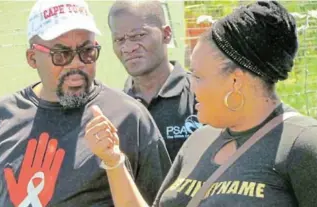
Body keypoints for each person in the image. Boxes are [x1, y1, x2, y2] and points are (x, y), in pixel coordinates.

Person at [85, 1, 317, 206]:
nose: (191, 87)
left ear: (235, 81)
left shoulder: (303, 144)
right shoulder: (199, 142)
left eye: (198, 76)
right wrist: (114, 161)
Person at [0, 0, 171, 206]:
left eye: (87, 51)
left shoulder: (128, 118)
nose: (76, 63)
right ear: (32, 58)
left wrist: (114, 162)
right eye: (61, 55)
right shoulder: (1, 118)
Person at [108, 0, 201, 160]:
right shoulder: (114, 109)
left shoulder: (200, 95)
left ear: (166, 34)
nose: (128, 47)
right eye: (119, 40)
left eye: (138, 36)